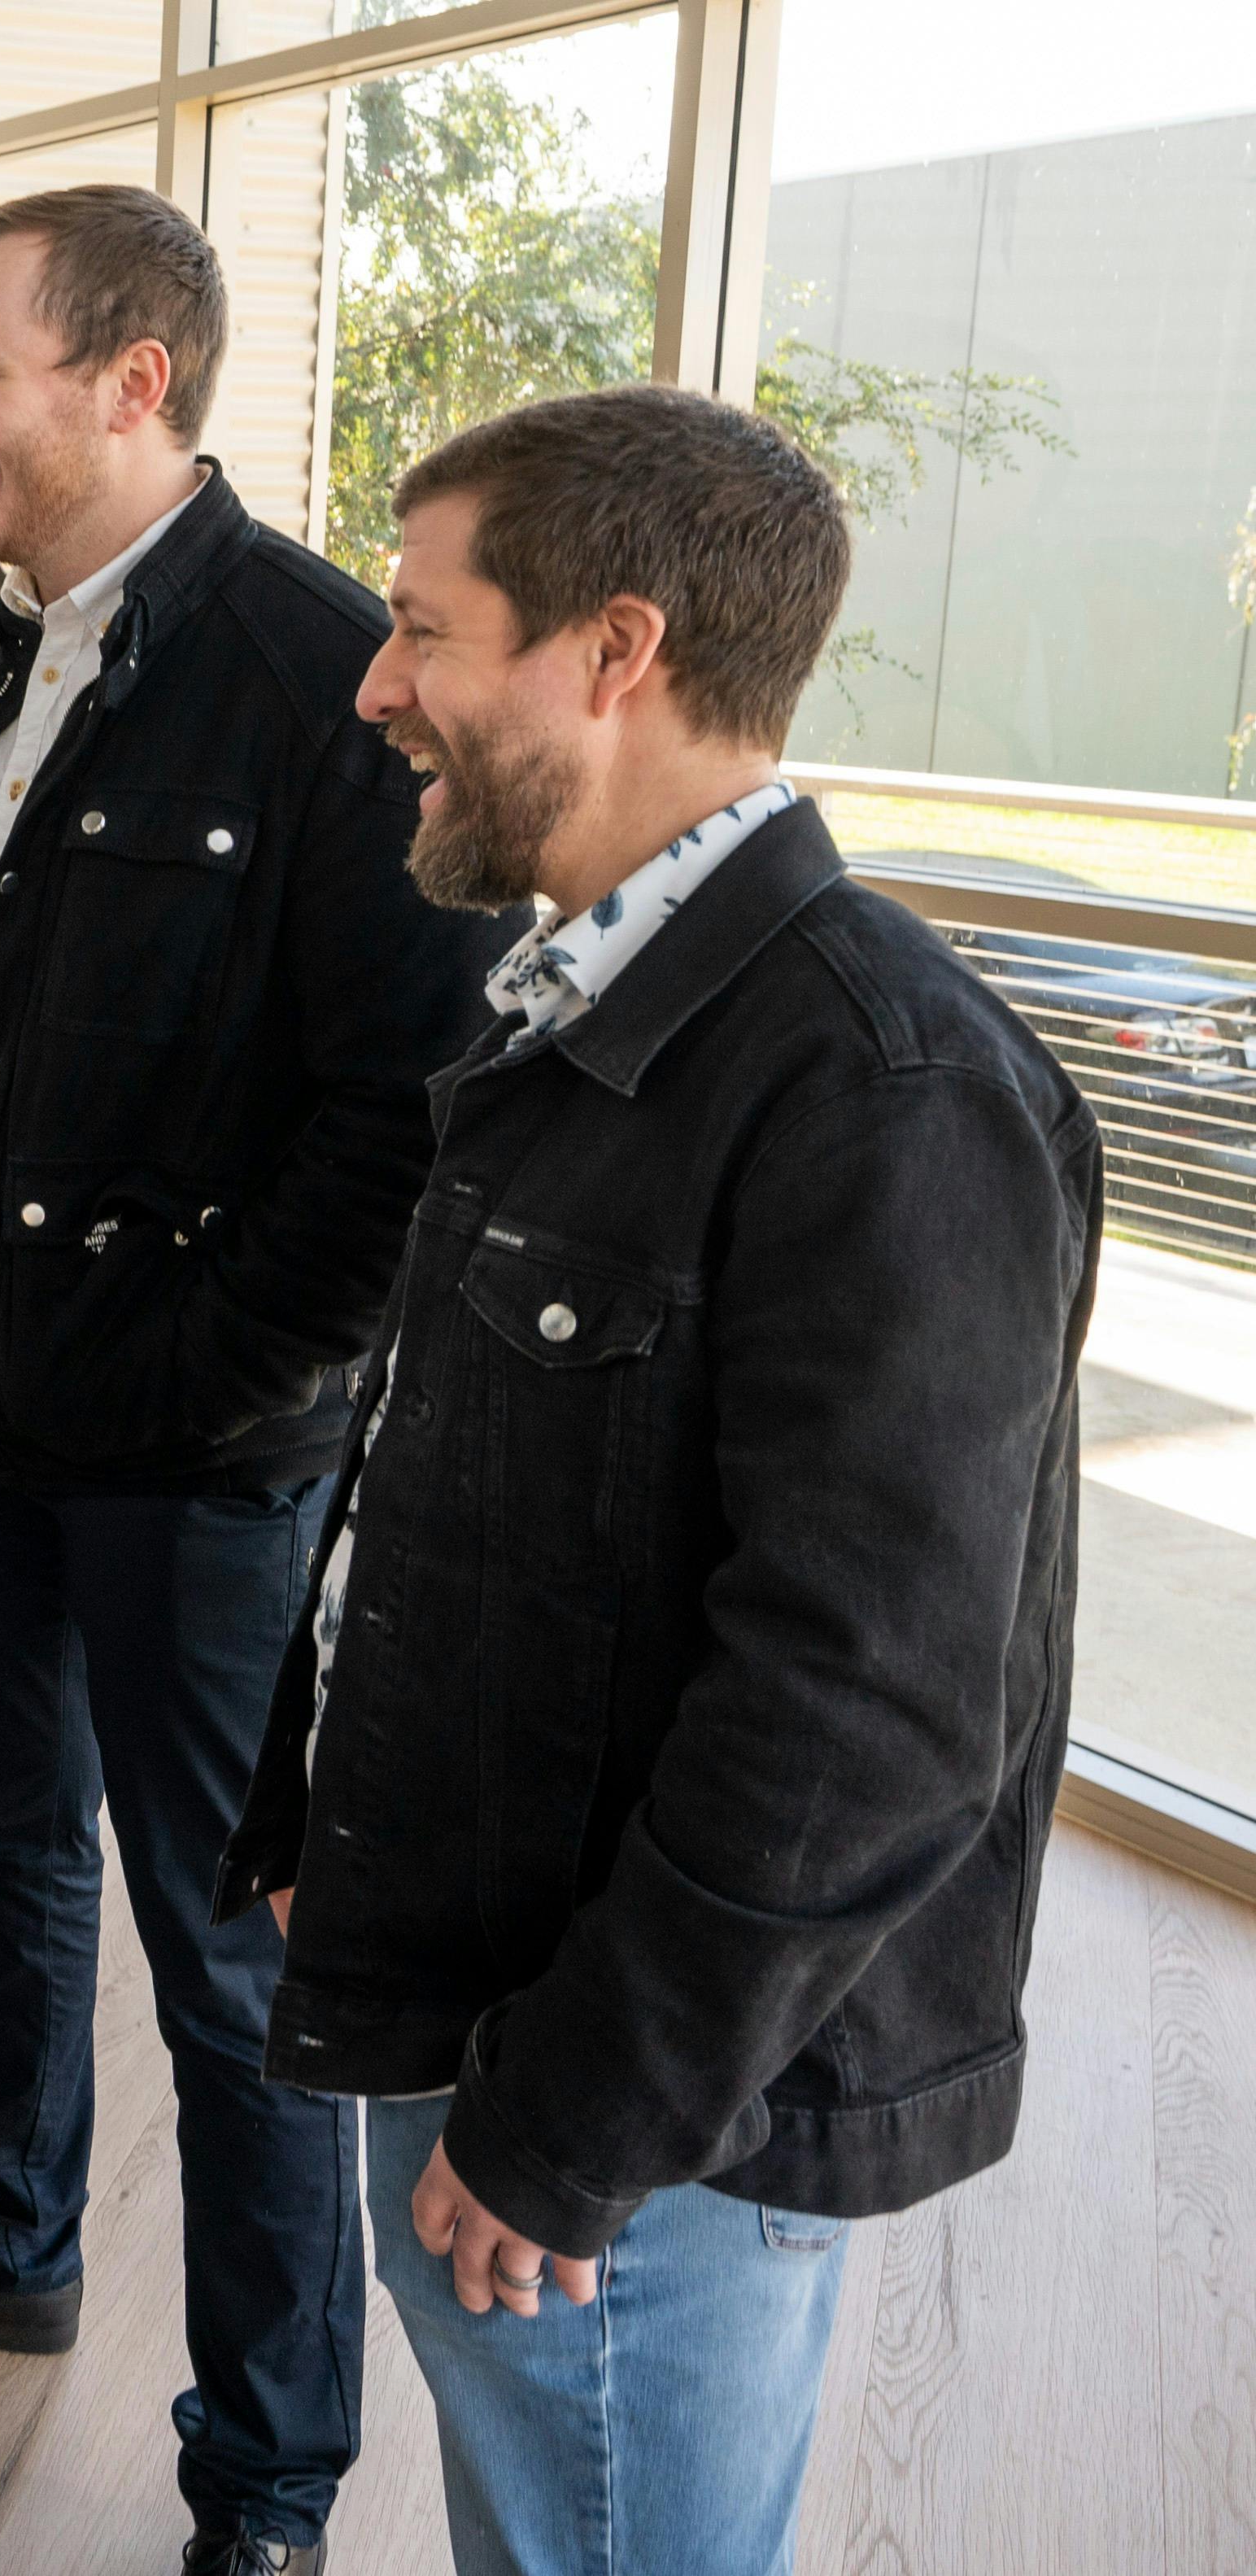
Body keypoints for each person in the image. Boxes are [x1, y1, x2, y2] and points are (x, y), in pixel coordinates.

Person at [214, 385, 1097, 2576]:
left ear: (614, 652)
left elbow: (872, 1710)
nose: (374, 682)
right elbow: (461, 1489)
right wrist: (327, 1826)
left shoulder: (881, 1087)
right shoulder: (591, 1004)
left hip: (642, 2125)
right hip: (503, 2000)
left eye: (424, 628)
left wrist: (567, 2128)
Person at [0, 186, 512, 2576]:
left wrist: (202, 1372)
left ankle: (264, 2483)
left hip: (189, 1455)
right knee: (4, 1849)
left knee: (235, 1965)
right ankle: (9, 2234)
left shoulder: (310, 675)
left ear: (131, 381)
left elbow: (404, 1112)